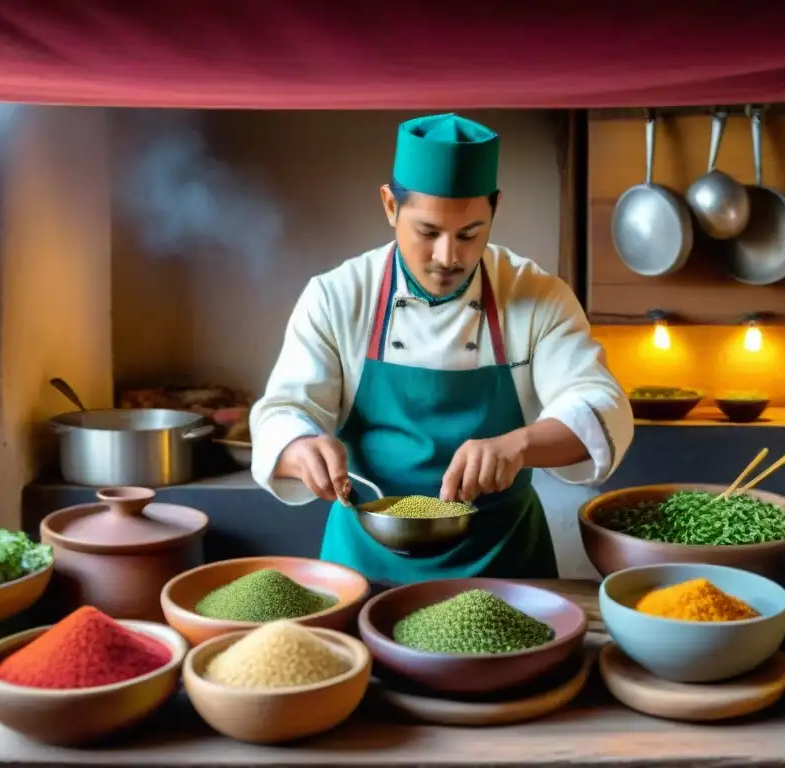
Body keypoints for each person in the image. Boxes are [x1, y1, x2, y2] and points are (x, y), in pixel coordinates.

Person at [250, 112, 633, 584]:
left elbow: (600, 407)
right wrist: (301, 446)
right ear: (390, 206)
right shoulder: (338, 296)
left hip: (505, 565)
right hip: (364, 564)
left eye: (470, 233)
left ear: (495, 209)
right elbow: (283, 411)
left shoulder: (538, 298)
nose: (448, 257)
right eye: (428, 233)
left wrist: (519, 445)